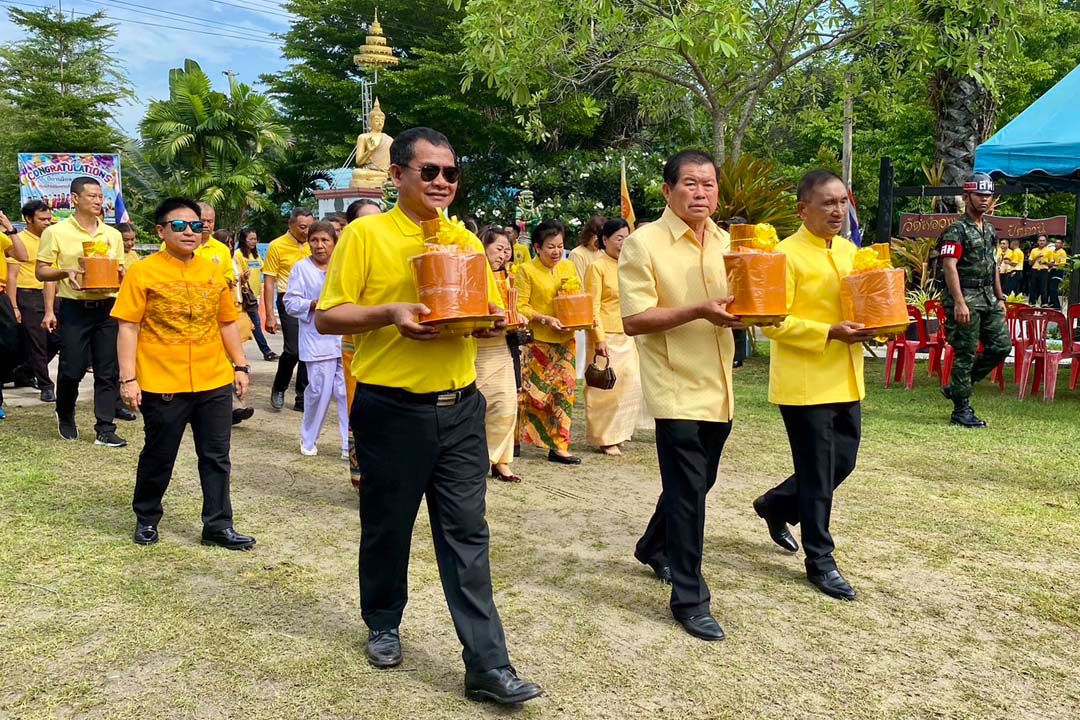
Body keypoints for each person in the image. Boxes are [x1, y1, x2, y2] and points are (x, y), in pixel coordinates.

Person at [315, 126, 541, 704]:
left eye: (451, 173)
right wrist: (391, 312)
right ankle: (384, 622)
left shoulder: (466, 240)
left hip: (461, 405)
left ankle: (488, 665)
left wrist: (492, 318)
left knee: (467, 533)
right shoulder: (365, 235)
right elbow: (328, 317)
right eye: (429, 171)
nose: (443, 182)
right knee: (388, 525)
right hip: (392, 408)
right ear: (398, 176)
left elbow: (478, 308)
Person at [620, 149, 742, 642]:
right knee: (691, 494)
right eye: (690, 184)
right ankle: (690, 598)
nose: (700, 193)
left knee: (695, 484)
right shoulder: (643, 244)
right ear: (668, 190)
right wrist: (696, 311)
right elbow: (633, 320)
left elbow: (743, 303)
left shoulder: (728, 243)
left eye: (709, 185)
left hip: (720, 386)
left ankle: (653, 543)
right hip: (674, 385)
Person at [755, 170, 878, 602]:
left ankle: (776, 505)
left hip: (847, 377)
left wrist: (876, 326)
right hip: (805, 383)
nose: (837, 211)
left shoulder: (850, 252)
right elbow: (771, 322)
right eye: (827, 203)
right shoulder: (783, 256)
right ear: (802, 208)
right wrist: (828, 332)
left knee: (841, 463)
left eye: (843, 201)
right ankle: (820, 560)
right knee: (818, 475)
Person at [113, 197, 256, 550]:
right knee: (160, 454)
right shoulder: (142, 272)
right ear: (161, 230)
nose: (189, 231)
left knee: (217, 456)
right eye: (179, 226)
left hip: (213, 379)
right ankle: (147, 517)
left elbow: (226, 322)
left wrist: (240, 365)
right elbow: (128, 327)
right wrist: (128, 379)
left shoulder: (211, 270)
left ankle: (218, 526)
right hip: (163, 381)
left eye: (195, 225)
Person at [36, 177, 127, 447]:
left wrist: (121, 274)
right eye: (92, 196)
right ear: (75, 199)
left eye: (101, 196)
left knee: (107, 370)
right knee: (72, 369)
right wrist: (66, 271)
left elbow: (120, 269)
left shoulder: (113, 235)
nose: (99, 201)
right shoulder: (56, 232)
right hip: (75, 307)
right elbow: (41, 271)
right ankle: (65, 413)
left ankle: (105, 427)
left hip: (107, 308)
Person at [938, 173, 1011, 428]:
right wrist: (959, 302)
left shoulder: (989, 229)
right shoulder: (956, 230)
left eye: (988, 196)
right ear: (967, 196)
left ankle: (959, 386)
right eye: (979, 195)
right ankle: (961, 410)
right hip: (966, 297)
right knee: (965, 352)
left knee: (1002, 346)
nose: (984, 200)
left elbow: (994, 265)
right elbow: (949, 266)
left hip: (988, 297)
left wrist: (1000, 297)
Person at [515, 219, 583, 465]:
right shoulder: (526, 271)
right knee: (532, 394)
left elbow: (576, 297)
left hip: (566, 339)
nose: (556, 252)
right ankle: (516, 437)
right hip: (539, 341)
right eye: (550, 247)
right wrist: (545, 319)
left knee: (564, 393)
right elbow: (521, 305)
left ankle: (559, 445)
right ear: (537, 247)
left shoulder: (568, 268)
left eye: (560, 246)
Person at [283, 221, 349, 459]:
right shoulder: (301, 269)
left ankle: (347, 444)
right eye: (314, 240)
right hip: (317, 339)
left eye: (325, 240)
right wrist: (313, 304)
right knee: (319, 391)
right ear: (308, 243)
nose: (320, 246)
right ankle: (309, 439)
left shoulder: (343, 266)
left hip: (345, 338)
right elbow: (290, 302)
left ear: (334, 242)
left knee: (345, 392)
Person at [584, 218, 643, 455]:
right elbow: (592, 306)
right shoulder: (596, 266)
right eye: (619, 238)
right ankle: (605, 437)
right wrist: (599, 338)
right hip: (605, 335)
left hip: (627, 333)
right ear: (605, 240)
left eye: (627, 238)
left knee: (630, 385)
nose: (623, 243)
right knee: (604, 387)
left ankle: (620, 432)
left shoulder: (630, 265)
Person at [476, 226, 521, 482]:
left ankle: (501, 460)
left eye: (507, 250)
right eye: (498, 249)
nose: (504, 255)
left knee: (505, 406)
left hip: (503, 347)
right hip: (479, 348)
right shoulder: (473, 275)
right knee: (480, 407)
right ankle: (479, 458)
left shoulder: (510, 277)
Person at [263, 208, 313, 411]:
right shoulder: (277, 246)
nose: (307, 231)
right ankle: (279, 386)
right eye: (302, 227)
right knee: (293, 350)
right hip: (288, 299)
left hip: (313, 301)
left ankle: (302, 396)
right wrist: (269, 316)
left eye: (310, 226)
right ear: (291, 224)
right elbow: (269, 281)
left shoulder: (315, 243)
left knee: (309, 351)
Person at [10, 202, 59, 403]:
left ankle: (24, 371)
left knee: (57, 339)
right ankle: (46, 385)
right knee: (37, 341)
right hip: (27, 294)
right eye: (42, 219)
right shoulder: (18, 241)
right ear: (28, 219)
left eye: (49, 219)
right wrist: (14, 306)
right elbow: (12, 276)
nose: (47, 223)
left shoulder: (53, 238)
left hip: (51, 295)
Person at [234, 227, 277, 361]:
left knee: (248, 325)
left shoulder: (256, 255)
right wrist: (244, 276)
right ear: (244, 240)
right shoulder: (238, 255)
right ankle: (266, 351)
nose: (254, 242)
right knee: (254, 324)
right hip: (244, 296)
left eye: (255, 239)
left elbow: (264, 268)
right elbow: (236, 273)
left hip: (255, 296)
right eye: (250, 239)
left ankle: (236, 351)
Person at [568, 215, 606, 281]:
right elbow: (578, 283)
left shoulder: (604, 253)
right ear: (588, 234)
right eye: (596, 235)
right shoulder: (577, 254)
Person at [1028, 235, 1052, 306]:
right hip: (1034, 270)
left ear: (1046, 242)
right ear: (1038, 242)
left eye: (1043, 240)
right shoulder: (1034, 250)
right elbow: (1030, 263)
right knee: (1033, 286)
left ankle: (1044, 303)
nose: (1042, 242)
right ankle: (1032, 302)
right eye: (1040, 240)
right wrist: (1036, 257)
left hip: (1044, 270)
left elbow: (1051, 264)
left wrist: (1045, 262)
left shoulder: (1049, 251)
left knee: (1043, 287)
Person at [1047, 238, 1068, 310]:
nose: (1057, 244)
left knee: (1053, 288)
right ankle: (1052, 303)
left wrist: (1052, 264)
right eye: (1056, 242)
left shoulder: (1062, 252)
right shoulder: (1053, 251)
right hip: (1051, 270)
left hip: (1058, 271)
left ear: (1062, 244)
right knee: (1049, 288)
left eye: (1059, 243)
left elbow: (1062, 264)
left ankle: (1057, 305)